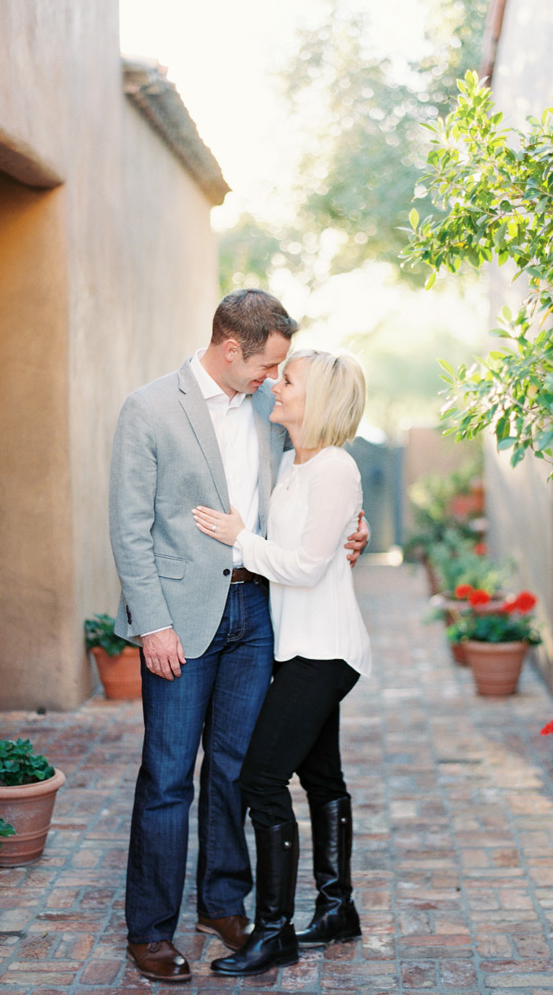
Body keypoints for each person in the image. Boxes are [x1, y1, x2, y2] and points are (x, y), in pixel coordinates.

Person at [108, 291, 368, 984]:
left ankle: (225, 902)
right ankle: (151, 929)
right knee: (167, 775)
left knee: (235, 766)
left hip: (258, 618)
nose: (273, 378)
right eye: (269, 364)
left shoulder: (266, 412)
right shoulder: (150, 408)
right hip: (182, 621)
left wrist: (354, 528)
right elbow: (130, 528)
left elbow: (318, 481)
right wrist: (153, 622)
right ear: (232, 349)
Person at [191, 349, 371, 977]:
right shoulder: (298, 462)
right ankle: (336, 909)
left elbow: (301, 565)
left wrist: (238, 537)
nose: (276, 384)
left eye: (287, 379)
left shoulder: (334, 470)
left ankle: (274, 933)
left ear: (314, 400)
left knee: (260, 781)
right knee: (321, 779)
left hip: (322, 652)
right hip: (299, 648)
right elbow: (308, 542)